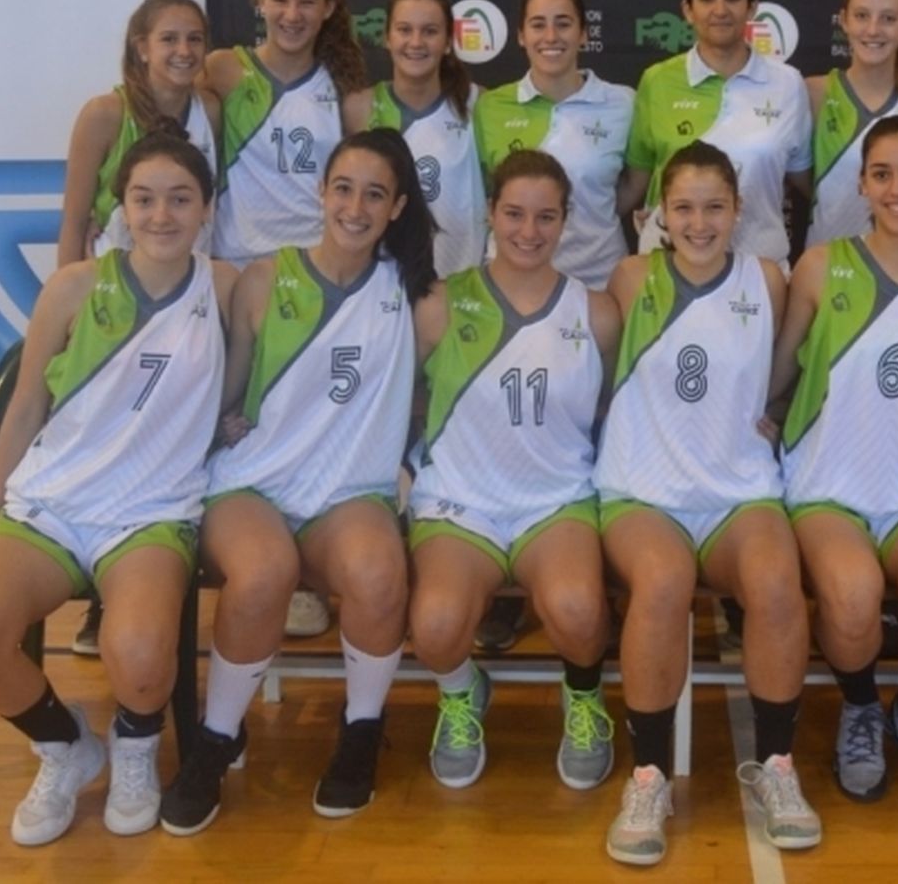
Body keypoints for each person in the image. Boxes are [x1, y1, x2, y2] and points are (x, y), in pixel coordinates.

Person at [0, 133, 234, 846]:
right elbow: (24, 413)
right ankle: (67, 743)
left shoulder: (228, 288)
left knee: (137, 658)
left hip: (150, 512)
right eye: (143, 198)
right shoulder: (73, 285)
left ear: (207, 208)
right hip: (53, 502)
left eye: (180, 198)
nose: (161, 215)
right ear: (120, 207)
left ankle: (135, 746)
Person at [159, 128, 434, 834]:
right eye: (343, 187)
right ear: (321, 191)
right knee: (262, 573)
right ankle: (216, 739)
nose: (355, 205)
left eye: (375, 193)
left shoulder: (413, 295)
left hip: (348, 489)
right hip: (254, 482)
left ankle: (361, 731)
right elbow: (227, 390)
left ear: (398, 206)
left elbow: (442, 388)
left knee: (378, 574)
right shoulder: (262, 277)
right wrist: (221, 421)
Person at [597, 143, 818, 866]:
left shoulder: (768, 278)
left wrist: (779, 409)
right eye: (683, 207)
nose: (698, 222)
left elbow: (783, 366)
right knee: (661, 584)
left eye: (714, 206)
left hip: (737, 486)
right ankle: (650, 775)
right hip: (645, 487)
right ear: (659, 213)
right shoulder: (630, 278)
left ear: (740, 210)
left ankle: (778, 768)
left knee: (779, 586)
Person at [770, 115, 898, 805]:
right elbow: (776, 376)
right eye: (882, 174)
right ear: (861, 183)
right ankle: (861, 708)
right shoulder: (819, 265)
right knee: (853, 595)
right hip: (830, 481)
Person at [407, 150, 620, 792]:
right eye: (515, 214)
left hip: (555, 501)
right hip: (459, 502)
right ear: (492, 214)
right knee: (436, 627)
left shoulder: (598, 312)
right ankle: (461, 693)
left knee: (580, 610)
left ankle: (583, 698)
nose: (530, 231)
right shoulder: (441, 304)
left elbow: (611, 411)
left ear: (566, 221)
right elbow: (406, 400)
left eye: (546, 217)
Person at [621, 0, 813, 265]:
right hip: (670, 266)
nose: (720, 9)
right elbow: (635, 185)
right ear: (688, 9)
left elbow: (809, 183)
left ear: (752, 7)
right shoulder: (657, 81)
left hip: (759, 269)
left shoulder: (788, 84)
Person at [208, 0, 365, 268]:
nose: (292, 15)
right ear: (260, 1)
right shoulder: (223, 70)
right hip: (234, 265)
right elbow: (159, 120)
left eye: (307, 2)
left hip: (314, 266)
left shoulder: (343, 87)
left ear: (328, 7)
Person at [474, 0, 636, 288]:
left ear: (584, 33)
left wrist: (591, 213)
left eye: (563, 24)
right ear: (521, 35)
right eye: (538, 25)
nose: (551, 37)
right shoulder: (490, 107)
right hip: (511, 282)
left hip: (599, 282)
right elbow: (484, 194)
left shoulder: (624, 103)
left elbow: (634, 184)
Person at [57, 0, 220, 265]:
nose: (184, 50)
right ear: (142, 48)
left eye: (195, 39)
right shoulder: (104, 115)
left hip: (188, 288)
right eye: (169, 39)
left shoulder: (211, 111)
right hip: (115, 287)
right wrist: (69, 295)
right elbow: (73, 224)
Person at [343, 0, 486, 279]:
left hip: (461, 285)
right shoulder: (358, 108)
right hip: (382, 284)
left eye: (430, 31)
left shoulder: (479, 105)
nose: (416, 42)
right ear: (387, 37)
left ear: (448, 41)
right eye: (405, 30)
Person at [806, 0, 898, 246]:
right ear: (843, 21)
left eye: (888, 18)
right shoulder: (814, 94)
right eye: (862, 16)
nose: (873, 30)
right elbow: (801, 178)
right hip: (832, 270)